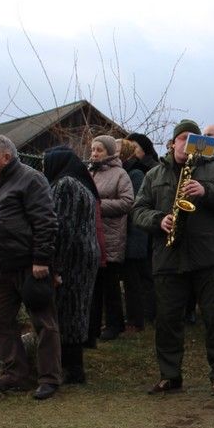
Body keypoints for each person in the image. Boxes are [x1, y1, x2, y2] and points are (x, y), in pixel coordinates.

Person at [132, 120, 214, 397]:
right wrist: (159, 220)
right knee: (167, 320)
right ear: (172, 143)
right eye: (181, 138)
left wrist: (206, 191)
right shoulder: (154, 174)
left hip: (210, 257)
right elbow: (137, 209)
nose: (185, 144)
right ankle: (170, 375)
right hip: (169, 256)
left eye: (192, 139)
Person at [0, 134, 62, 400]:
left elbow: (45, 220)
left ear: (6, 157)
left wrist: (41, 259)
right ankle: (17, 373)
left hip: (29, 265)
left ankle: (49, 378)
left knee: (44, 322)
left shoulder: (31, 179)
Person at [42, 147, 101, 385]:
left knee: (69, 309)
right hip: (85, 253)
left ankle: (72, 368)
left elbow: (62, 227)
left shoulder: (65, 184)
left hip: (72, 257)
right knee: (77, 309)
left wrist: (55, 266)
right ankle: (73, 366)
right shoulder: (81, 182)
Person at [87, 135, 134, 342]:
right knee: (94, 285)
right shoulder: (89, 172)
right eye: (93, 150)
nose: (95, 153)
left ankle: (115, 324)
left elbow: (127, 202)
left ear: (108, 152)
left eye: (99, 150)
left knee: (110, 284)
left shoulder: (120, 174)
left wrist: (97, 206)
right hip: (92, 235)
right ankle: (93, 326)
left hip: (111, 236)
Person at [119, 137, 156, 331]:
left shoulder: (137, 173)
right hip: (131, 232)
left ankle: (144, 315)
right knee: (135, 276)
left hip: (138, 231)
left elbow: (135, 204)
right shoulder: (128, 171)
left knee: (141, 276)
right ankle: (137, 315)